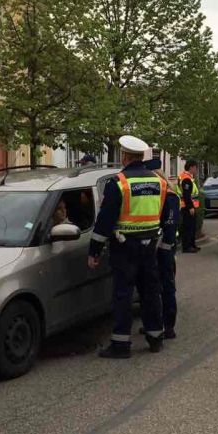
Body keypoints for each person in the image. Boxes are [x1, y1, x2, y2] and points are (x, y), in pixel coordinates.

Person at [88, 135, 167, 358]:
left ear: (124, 156)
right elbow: (159, 213)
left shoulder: (120, 183)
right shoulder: (158, 181)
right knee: (150, 291)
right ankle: (155, 337)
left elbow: (104, 221)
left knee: (123, 293)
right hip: (150, 244)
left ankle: (121, 345)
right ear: (141, 157)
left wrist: (94, 251)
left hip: (124, 247)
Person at [146, 160, 181, 339]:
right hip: (154, 248)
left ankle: (169, 326)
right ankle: (154, 323)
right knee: (153, 288)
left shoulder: (170, 196)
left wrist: (162, 246)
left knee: (166, 287)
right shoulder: (158, 194)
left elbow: (170, 224)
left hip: (164, 249)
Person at [180, 159, 201, 253]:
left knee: (192, 227)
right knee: (188, 227)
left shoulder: (188, 178)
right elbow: (186, 195)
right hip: (187, 207)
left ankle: (192, 245)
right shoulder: (186, 179)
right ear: (192, 167)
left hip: (190, 206)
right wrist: (190, 207)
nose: (196, 169)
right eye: (196, 167)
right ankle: (187, 246)